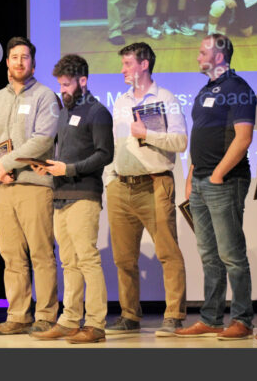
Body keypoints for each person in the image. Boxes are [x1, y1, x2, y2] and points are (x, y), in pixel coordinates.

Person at [175, 32, 257, 341]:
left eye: (202, 52)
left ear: (219, 57)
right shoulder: (205, 91)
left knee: (231, 254)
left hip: (224, 182)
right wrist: (191, 176)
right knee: (209, 255)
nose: (197, 57)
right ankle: (210, 318)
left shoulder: (238, 89)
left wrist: (218, 174)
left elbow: (244, 137)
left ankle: (242, 320)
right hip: (200, 182)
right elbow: (201, 138)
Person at [104, 41, 190, 335]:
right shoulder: (121, 101)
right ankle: (129, 315)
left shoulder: (166, 98)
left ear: (144, 65)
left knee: (168, 251)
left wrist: (147, 134)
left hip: (154, 184)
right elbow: (116, 143)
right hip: (121, 186)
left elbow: (180, 142)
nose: (123, 70)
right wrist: (110, 178)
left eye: (127, 64)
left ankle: (174, 314)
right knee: (124, 257)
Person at [29, 54, 114, 344]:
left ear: (83, 81)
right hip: (61, 194)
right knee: (68, 262)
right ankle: (69, 319)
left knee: (87, 259)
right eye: (60, 85)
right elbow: (64, 153)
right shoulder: (63, 112)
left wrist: (71, 169)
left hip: (84, 194)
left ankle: (95, 323)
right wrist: (48, 166)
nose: (62, 90)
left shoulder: (98, 112)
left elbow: (105, 154)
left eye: (67, 85)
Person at [0, 37, 61, 336]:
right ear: (7, 63)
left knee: (41, 253)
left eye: (24, 57)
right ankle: (18, 315)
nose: (19, 62)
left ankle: (46, 315)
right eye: (14, 57)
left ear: (33, 63)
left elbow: (42, 139)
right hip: (3, 186)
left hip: (35, 184)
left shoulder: (45, 96)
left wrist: (7, 164)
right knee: (11, 256)